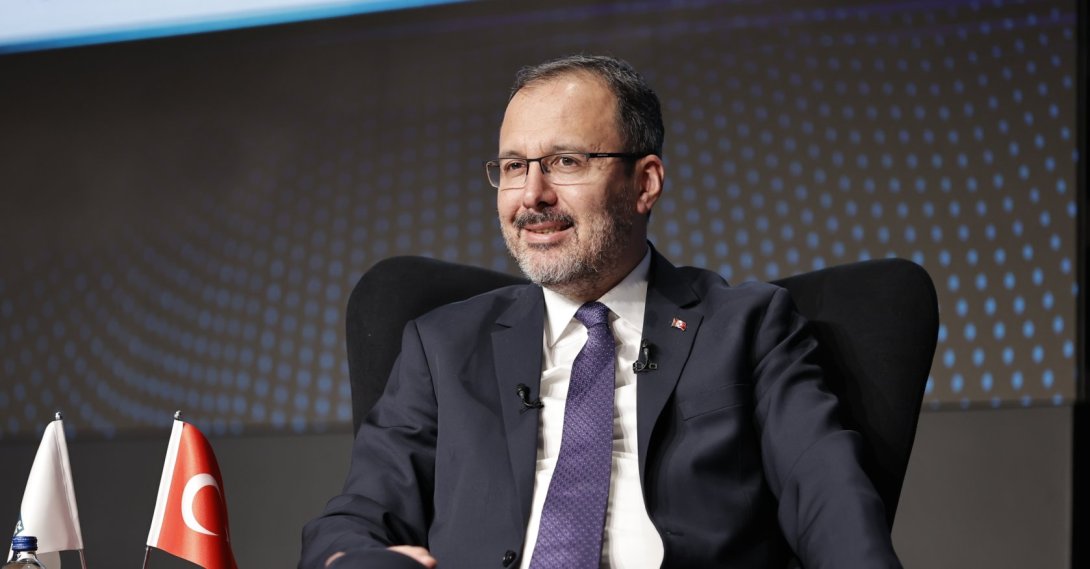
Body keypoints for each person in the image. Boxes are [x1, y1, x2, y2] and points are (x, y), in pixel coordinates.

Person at [300, 54, 901, 568]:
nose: (532, 195)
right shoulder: (444, 345)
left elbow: (828, 496)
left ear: (645, 183)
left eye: (566, 161)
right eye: (514, 166)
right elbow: (352, 520)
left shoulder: (745, 325)